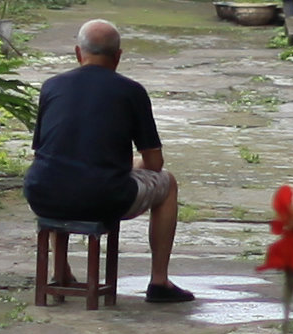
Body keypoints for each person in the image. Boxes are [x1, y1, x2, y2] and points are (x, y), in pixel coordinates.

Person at [24, 17, 194, 300]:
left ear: (78, 53)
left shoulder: (51, 87)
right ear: (118, 57)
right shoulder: (131, 91)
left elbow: (44, 150)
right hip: (104, 198)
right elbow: (154, 164)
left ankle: (61, 269)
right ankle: (160, 281)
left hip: (42, 192)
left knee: (57, 176)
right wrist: (132, 167)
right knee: (168, 184)